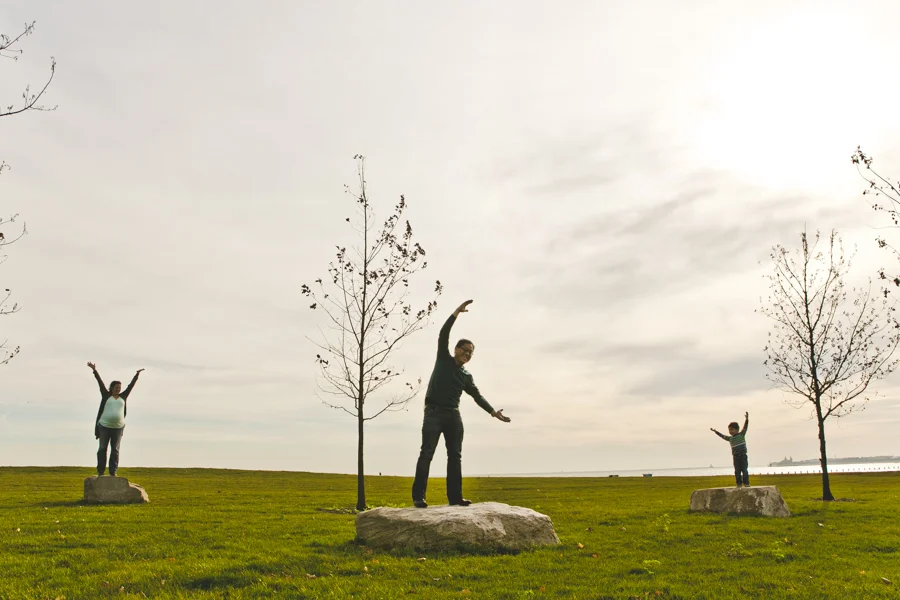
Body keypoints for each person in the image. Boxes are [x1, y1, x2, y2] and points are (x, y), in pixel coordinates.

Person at [411, 300, 511, 508]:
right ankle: (419, 497)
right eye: (465, 350)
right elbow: (443, 334)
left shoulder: (466, 376)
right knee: (427, 453)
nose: (467, 354)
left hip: (453, 417)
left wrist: (493, 412)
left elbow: (477, 396)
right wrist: (456, 312)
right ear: (456, 349)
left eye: (471, 353)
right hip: (433, 413)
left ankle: (455, 497)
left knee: (455, 456)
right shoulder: (443, 359)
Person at [88, 362, 144, 477]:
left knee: (115, 450)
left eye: (119, 388)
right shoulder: (106, 395)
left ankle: (113, 472)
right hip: (104, 426)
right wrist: (94, 370)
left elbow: (130, 386)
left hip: (118, 427)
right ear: (112, 388)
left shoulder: (123, 397)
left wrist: (136, 375)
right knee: (102, 448)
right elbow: (100, 383)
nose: (118, 389)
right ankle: (100, 472)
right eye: (116, 387)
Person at [711, 412, 750, 488]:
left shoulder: (742, 434)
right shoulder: (730, 438)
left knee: (745, 470)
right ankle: (738, 483)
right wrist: (716, 432)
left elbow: (745, 427)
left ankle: (746, 483)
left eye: (732, 429)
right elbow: (722, 436)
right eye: (729, 430)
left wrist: (747, 419)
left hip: (743, 456)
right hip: (735, 457)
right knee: (737, 471)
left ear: (737, 430)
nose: (730, 431)